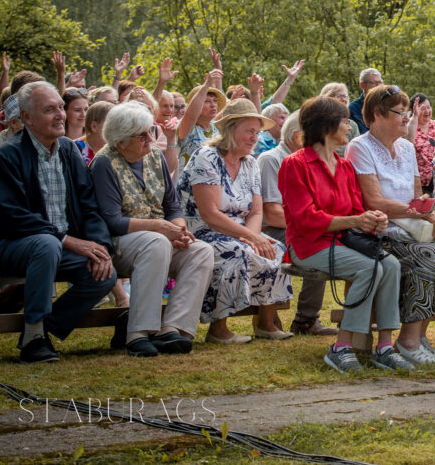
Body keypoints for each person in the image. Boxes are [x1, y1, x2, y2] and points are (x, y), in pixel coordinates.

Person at [0, 82, 117, 362]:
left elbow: (89, 205)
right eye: (49, 110)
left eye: (60, 108)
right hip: (10, 245)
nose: (60, 115)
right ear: (27, 117)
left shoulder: (68, 150)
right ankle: (33, 339)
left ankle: (44, 329)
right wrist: (67, 240)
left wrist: (99, 246)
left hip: (58, 248)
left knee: (104, 274)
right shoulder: (8, 155)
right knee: (46, 244)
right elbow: (12, 216)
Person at [279, 95, 413, 373]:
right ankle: (341, 347)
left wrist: (374, 219)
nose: (349, 126)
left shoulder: (344, 167)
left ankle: (385, 347)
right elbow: (306, 219)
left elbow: (356, 209)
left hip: (343, 242)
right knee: (369, 268)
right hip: (308, 246)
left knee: (391, 265)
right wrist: (356, 219)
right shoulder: (295, 164)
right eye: (344, 121)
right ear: (326, 125)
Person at [346, 84, 435, 365]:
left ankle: (418, 333)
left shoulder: (406, 147)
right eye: (400, 112)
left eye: (407, 112)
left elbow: (417, 196)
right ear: (377, 115)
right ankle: (408, 341)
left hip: (410, 227)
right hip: (377, 231)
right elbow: (374, 202)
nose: (407, 118)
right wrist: (421, 214)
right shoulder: (359, 147)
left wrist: (429, 210)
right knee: (429, 255)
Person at [89, 102, 214, 356]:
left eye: (150, 131)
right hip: (119, 243)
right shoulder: (104, 163)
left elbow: (172, 205)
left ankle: (172, 328)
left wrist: (179, 230)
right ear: (120, 141)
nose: (150, 138)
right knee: (155, 243)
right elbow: (112, 221)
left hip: (158, 239)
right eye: (142, 135)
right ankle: (138, 334)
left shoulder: (155, 157)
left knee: (200, 251)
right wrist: (160, 228)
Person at [177, 99, 293, 343]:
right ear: (230, 129)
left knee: (275, 249)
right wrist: (249, 238)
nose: (254, 138)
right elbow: (209, 214)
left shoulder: (250, 163)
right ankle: (218, 329)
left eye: (257, 133)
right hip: (201, 230)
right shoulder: (207, 157)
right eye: (249, 131)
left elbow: (256, 212)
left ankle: (265, 324)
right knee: (236, 252)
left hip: (238, 230)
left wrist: (254, 238)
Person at [257, 110, 337, 336]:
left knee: (328, 242)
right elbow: (272, 213)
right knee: (319, 244)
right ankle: (302, 319)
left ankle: (306, 320)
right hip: (271, 230)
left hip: (297, 227)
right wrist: (313, 226)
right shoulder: (271, 159)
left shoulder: (308, 162)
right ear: (298, 137)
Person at [177, 70, 226, 170]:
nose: (213, 105)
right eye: (207, 101)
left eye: (215, 101)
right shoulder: (188, 127)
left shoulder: (217, 127)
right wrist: (207, 84)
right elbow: (191, 116)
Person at [405, 92, 435, 196]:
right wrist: (415, 117)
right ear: (413, 111)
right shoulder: (409, 128)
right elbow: (408, 143)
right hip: (420, 185)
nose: (427, 111)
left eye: (428, 107)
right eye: (422, 109)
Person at [319, 82, 361, 149]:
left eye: (345, 96)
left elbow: (357, 150)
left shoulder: (352, 125)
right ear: (327, 99)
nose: (344, 100)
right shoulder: (318, 123)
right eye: (339, 96)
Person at [75, 101, 113, 165]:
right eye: (111, 124)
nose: (117, 128)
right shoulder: (74, 149)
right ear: (94, 126)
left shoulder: (117, 149)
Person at [348, 68, 383, 134]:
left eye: (380, 82)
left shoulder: (388, 105)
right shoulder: (352, 108)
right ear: (362, 85)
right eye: (375, 83)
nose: (379, 86)